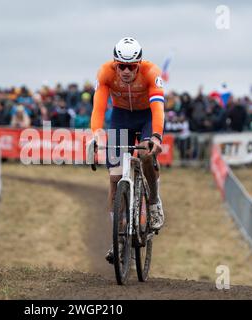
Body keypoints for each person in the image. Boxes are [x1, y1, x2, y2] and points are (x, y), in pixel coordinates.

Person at [89, 37, 165, 263]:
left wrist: (156, 136)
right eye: (120, 65)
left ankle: (153, 203)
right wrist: (96, 133)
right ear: (115, 63)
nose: (125, 71)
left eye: (131, 66)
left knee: (144, 153)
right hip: (121, 117)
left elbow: (158, 108)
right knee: (113, 180)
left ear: (139, 64)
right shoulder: (105, 73)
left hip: (147, 117)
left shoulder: (151, 73)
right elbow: (99, 106)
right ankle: (118, 239)